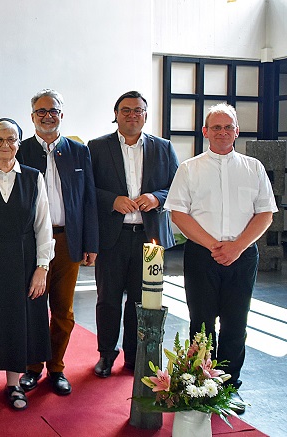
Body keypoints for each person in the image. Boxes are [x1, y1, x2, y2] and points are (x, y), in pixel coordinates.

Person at [164, 103, 276, 414]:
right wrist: (216, 245)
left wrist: (237, 246)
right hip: (202, 254)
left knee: (235, 323)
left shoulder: (253, 168)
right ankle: (199, 381)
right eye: (216, 127)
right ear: (205, 132)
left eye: (228, 127)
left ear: (237, 131)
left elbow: (265, 214)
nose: (223, 132)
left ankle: (229, 386)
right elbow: (177, 213)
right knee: (201, 322)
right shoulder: (190, 168)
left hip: (242, 254)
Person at [87, 91, 178, 377]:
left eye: (138, 110)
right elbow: (87, 189)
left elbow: (178, 187)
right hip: (112, 236)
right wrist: (112, 200)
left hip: (149, 239)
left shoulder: (163, 147)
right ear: (116, 115)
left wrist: (158, 197)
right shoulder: (97, 147)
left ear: (145, 115)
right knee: (108, 299)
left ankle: (134, 355)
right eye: (125, 110)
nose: (132, 115)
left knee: (142, 301)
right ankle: (105, 354)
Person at [0, 118, 54, 412]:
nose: (5, 145)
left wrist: (42, 267)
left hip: (24, 259)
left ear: (19, 141)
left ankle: (14, 384)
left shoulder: (33, 177)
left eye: (11, 139)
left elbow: (43, 226)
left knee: (20, 321)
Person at [18, 90, 99, 396]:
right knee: (33, 307)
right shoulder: (20, 150)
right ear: (32, 116)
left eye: (53, 111)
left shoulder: (79, 151)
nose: (47, 115)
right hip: (31, 244)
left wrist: (91, 242)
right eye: (41, 111)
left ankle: (57, 367)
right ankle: (32, 367)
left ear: (61, 115)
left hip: (67, 241)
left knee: (63, 309)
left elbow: (89, 199)